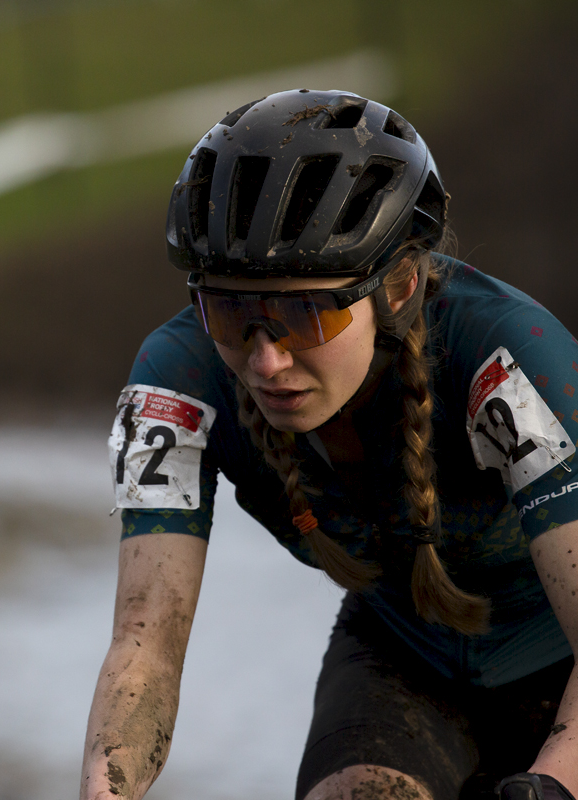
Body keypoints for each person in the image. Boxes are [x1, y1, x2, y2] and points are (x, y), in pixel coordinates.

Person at [80, 88, 578, 800]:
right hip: (405, 657)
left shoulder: (509, 360)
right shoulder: (177, 381)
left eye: (304, 314)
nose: (265, 361)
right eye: (227, 310)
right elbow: (144, 646)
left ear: (399, 286)